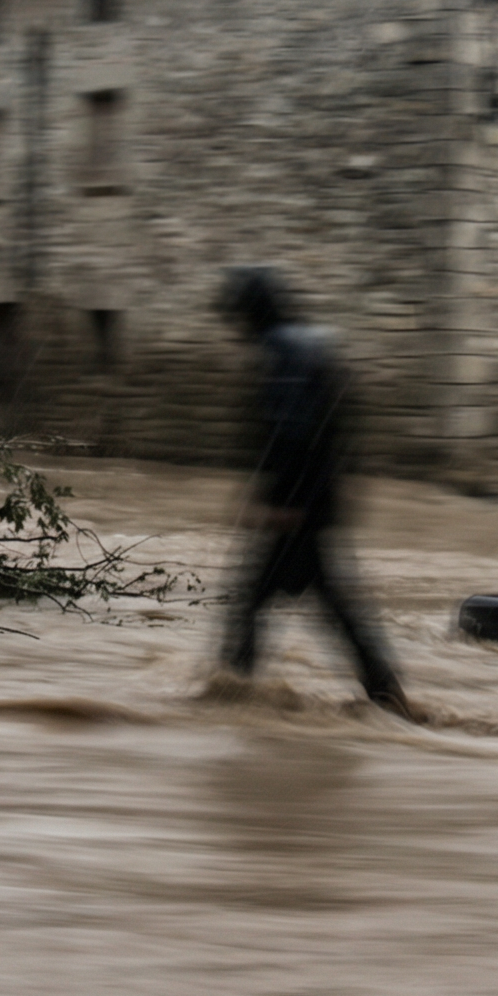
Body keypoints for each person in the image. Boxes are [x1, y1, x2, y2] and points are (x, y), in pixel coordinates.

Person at [212, 267, 417, 721]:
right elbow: (338, 431)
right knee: (332, 607)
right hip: (319, 503)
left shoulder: (283, 353)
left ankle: (227, 700)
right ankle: (390, 699)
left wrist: (281, 504)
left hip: (299, 508)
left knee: (251, 604)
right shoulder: (312, 345)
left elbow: (292, 436)